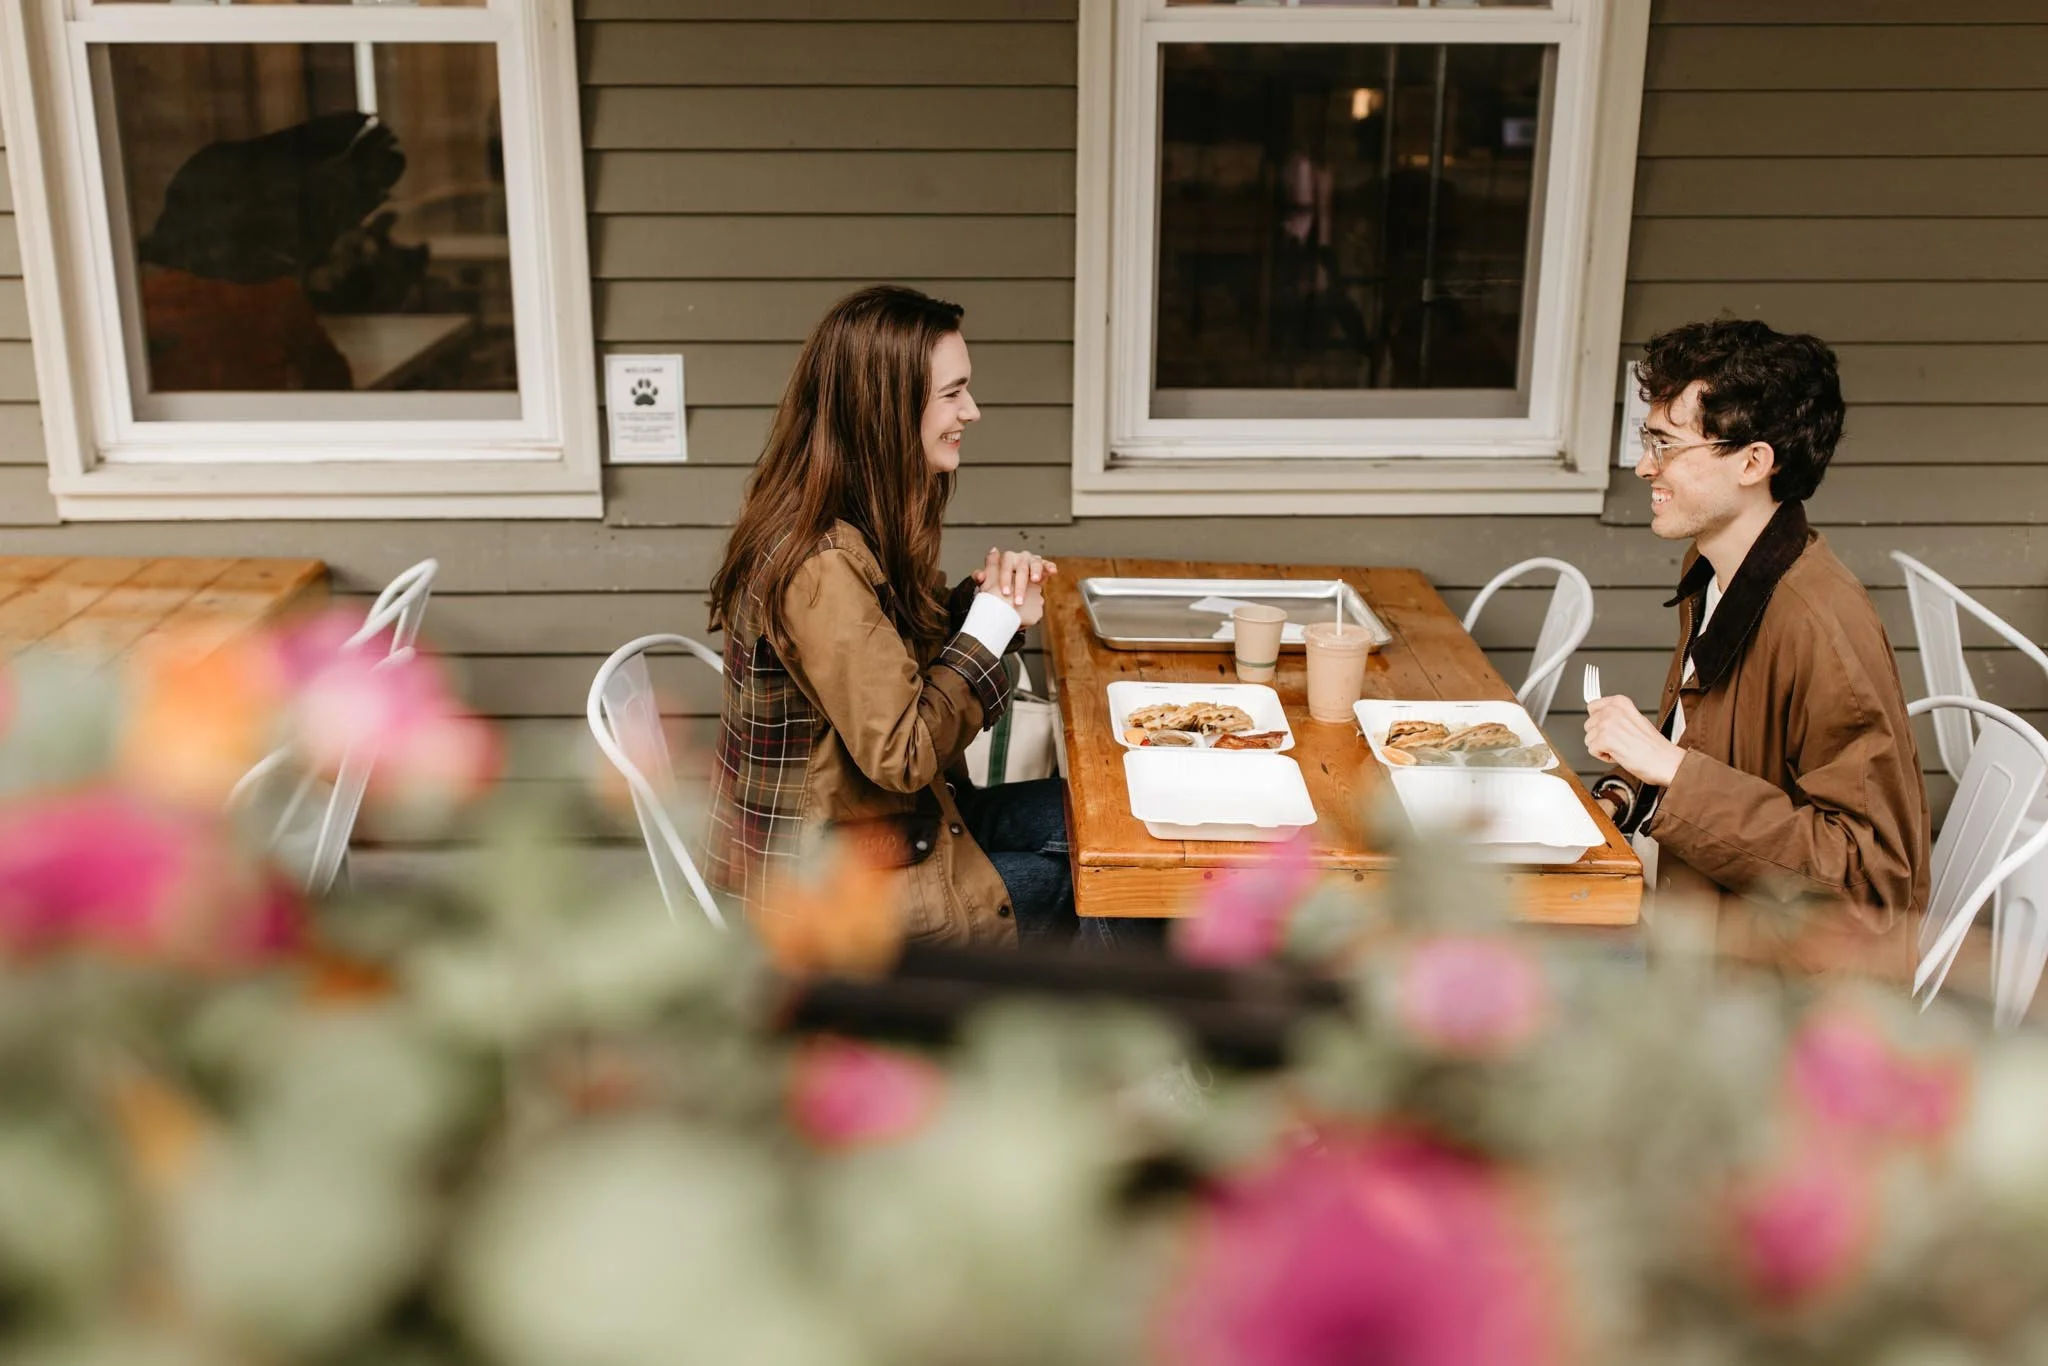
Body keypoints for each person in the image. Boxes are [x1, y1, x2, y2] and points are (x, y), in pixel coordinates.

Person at [705, 285, 1083, 950]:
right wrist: (988, 630)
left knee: (1099, 818)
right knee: (1100, 878)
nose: (971, 410)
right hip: (827, 892)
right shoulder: (821, 564)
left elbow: (890, 671)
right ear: (886, 407)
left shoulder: (846, 518)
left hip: (885, 828)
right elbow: (903, 754)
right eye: (952, 392)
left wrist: (983, 613)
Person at [1584, 320, 1929, 947]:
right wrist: (1621, 796)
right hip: (1680, 919)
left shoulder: (1821, 624)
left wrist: (1673, 772)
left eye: (1666, 445)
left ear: (1753, 462)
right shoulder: (1715, 568)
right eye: (1647, 439)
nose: (1643, 466)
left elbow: (1867, 881)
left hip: (1755, 981)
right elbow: (1709, 746)